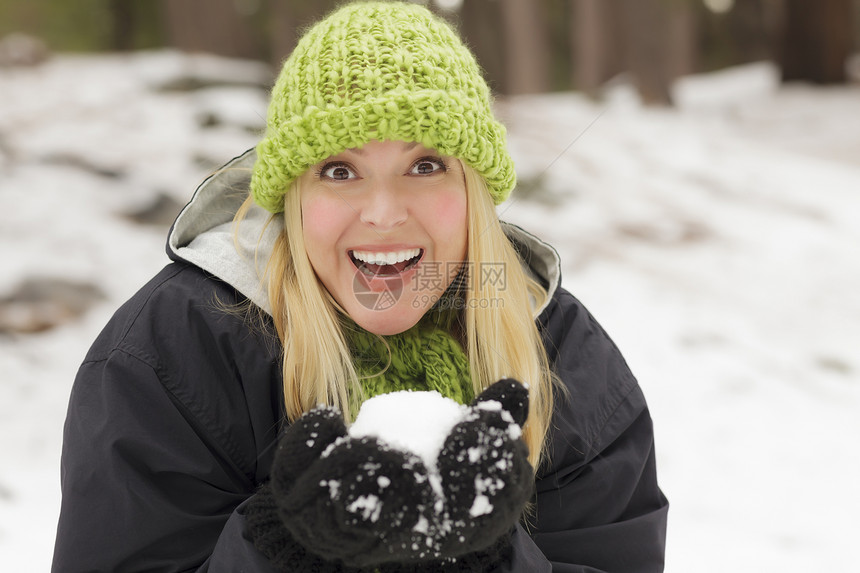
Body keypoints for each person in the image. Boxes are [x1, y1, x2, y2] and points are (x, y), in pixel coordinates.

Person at [52, 2, 668, 572]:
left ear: (473, 190)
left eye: (425, 166)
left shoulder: (562, 354)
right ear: (293, 196)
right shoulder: (176, 351)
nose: (383, 212)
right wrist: (288, 544)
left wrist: (486, 556)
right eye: (338, 170)